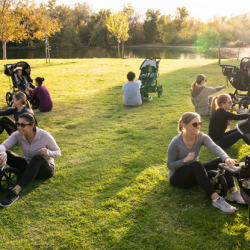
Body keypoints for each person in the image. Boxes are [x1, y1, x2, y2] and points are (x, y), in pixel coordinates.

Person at [167, 112, 245, 214]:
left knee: (220, 160)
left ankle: (233, 192)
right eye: (195, 124)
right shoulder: (176, 142)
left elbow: (215, 147)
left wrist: (226, 158)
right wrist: (184, 160)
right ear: (184, 125)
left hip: (195, 174)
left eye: (200, 123)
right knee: (196, 165)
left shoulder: (201, 137)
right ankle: (216, 200)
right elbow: (169, 165)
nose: (198, 126)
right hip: (177, 178)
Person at [0, 112, 61, 207]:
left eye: (23, 125)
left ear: (32, 125)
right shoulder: (18, 134)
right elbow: (3, 145)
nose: (19, 127)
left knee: (37, 158)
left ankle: (15, 191)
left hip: (44, 170)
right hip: (27, 166)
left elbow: (58, 152)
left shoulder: (44, 136)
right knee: (4, 152)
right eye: (18, 124)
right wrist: (3, 153)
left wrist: (48, 152)